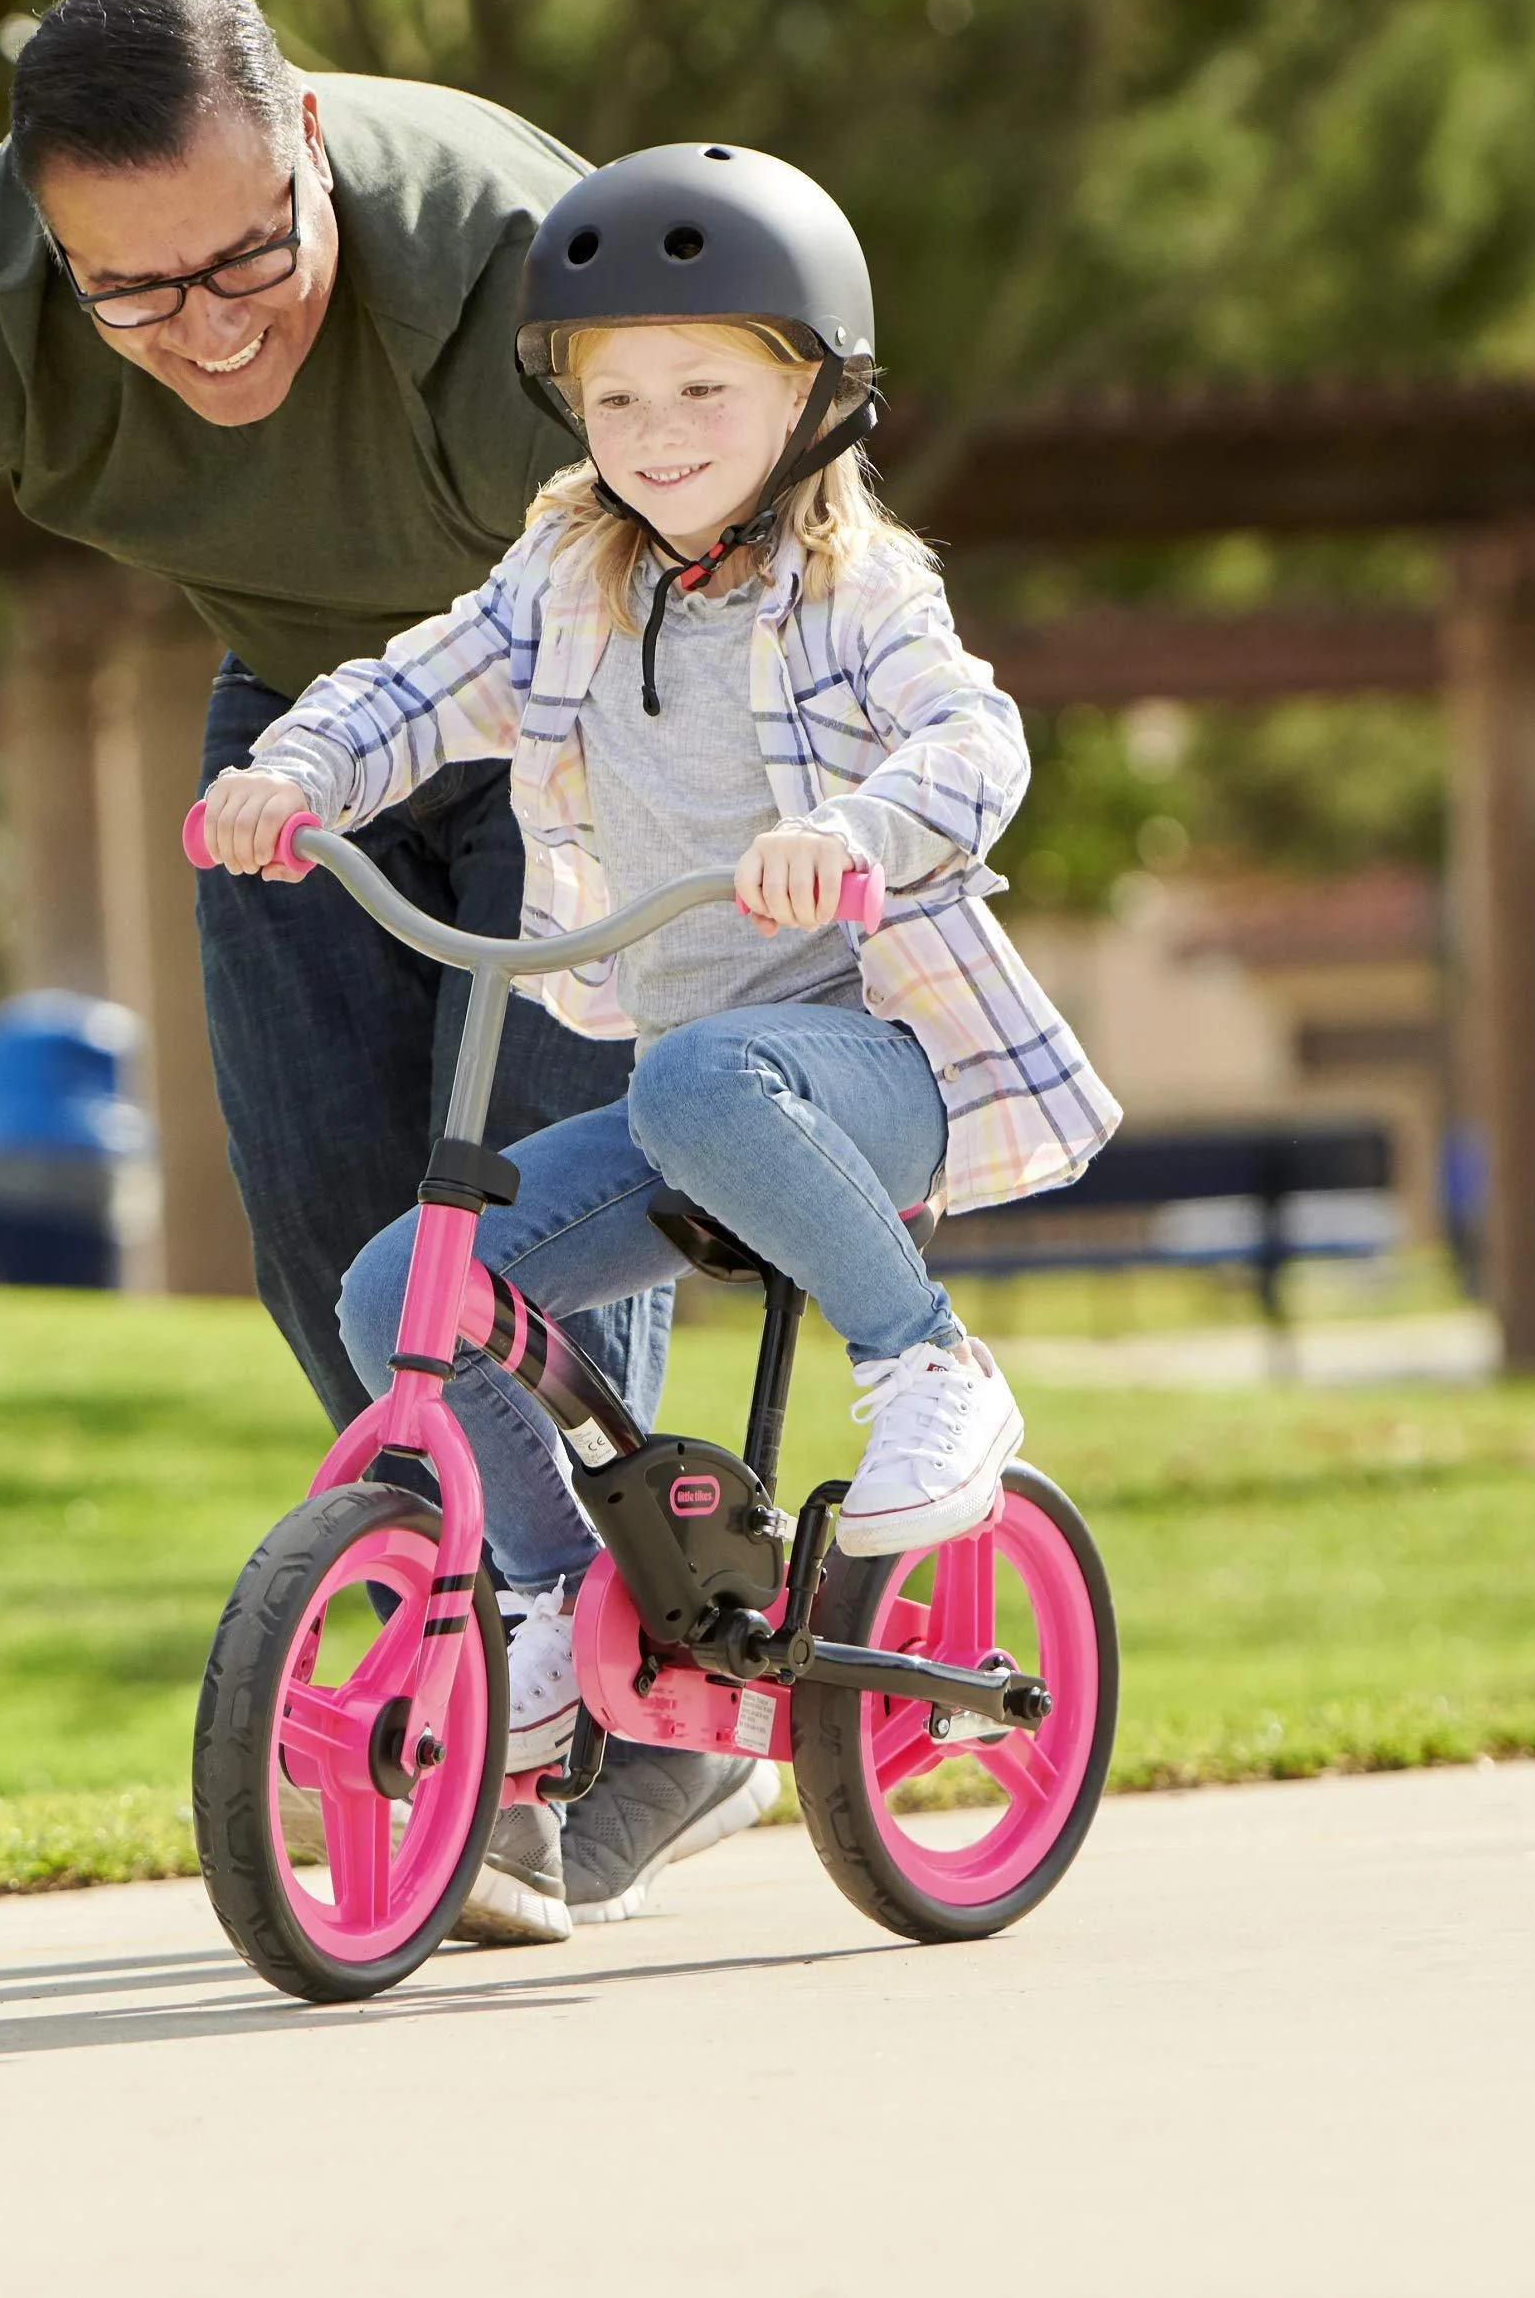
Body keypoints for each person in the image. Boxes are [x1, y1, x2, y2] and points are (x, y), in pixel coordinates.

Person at [0, 0, 696, 1936]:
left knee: (525, 1231)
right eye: (130, 293)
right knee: (340, 1267)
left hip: (608, 712)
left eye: (246, 263)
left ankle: (620, 1713)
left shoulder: (509, 276)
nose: (207, 336)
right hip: (306, 717)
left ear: (307, 137)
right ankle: (517, 1650)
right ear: (48, 237)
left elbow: (738, 606)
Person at [196, 142, 1121, 1932]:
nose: (657, 427)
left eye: (706, 386)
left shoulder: (855, 592)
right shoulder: (570, 573)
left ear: (814, 391)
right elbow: (419, 680)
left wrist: (857, 838)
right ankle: (545, 1604)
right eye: (615, 394)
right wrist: (295, 772)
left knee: (707, 1076)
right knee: (406, 1292)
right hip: (699, 1097)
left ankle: (927, 1365)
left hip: (881, 1071)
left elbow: (973, 739)